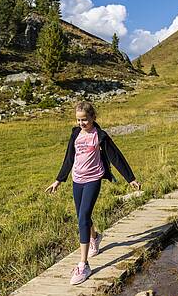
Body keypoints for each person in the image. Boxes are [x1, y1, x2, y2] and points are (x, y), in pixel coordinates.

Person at [45, 101, 141, 285]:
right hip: (77, 179)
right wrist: (59, 180)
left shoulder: (100, 136)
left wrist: (131, 178)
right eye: (78, 120)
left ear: (93, 118)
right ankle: (95, 237)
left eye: (85, 120)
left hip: (93, 179)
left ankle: (83, 265)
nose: (82, 123)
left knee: (83, 217)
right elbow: (69, 159)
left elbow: (116, 156)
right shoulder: (75, 134)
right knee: (82, 215)